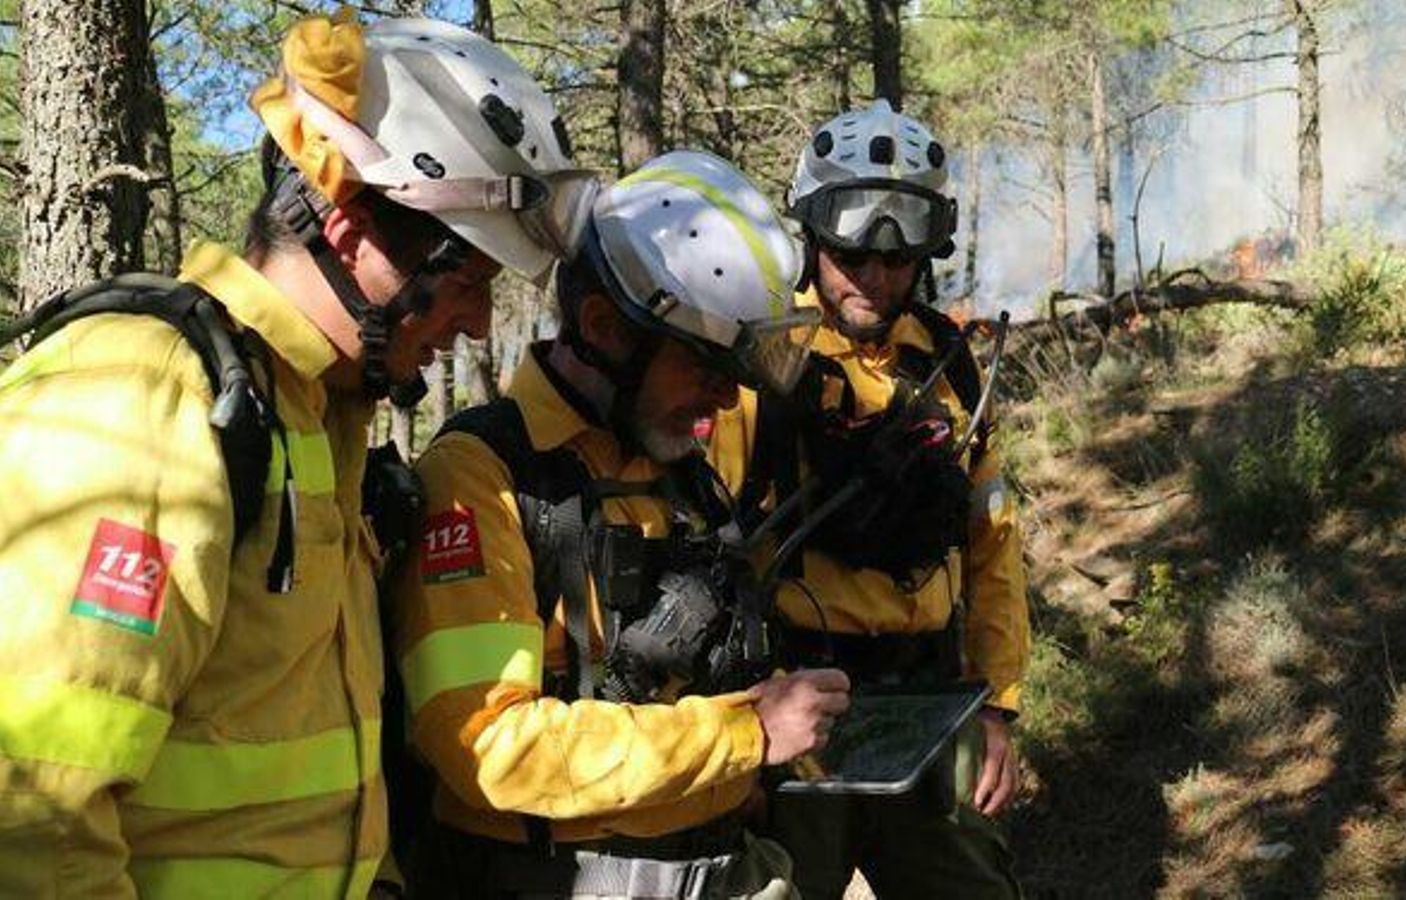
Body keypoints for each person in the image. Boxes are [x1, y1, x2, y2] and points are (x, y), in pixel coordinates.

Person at [0, 12, 596, 897]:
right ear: (352, 235)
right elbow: (33, 812)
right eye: (466, 282)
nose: (476, 323)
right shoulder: (150, 396)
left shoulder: (314, 415)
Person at [391, 149, 849, 900]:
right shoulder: (481, 476)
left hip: (724, 865)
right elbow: (490, 748)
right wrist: (745, 734)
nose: (725, 400)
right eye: (706, 367)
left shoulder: (681, 470)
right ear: (604, 327)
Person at [706, 98, 1030, 899]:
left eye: (896, 256)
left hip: (934, 701)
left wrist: (998, 708)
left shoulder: (949, 365)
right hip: (797, 709)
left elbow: (993, 546)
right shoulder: (763, 361)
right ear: (814, 236)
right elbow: (706, 553)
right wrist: (730, 741)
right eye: (851, 251)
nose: (874, 276)